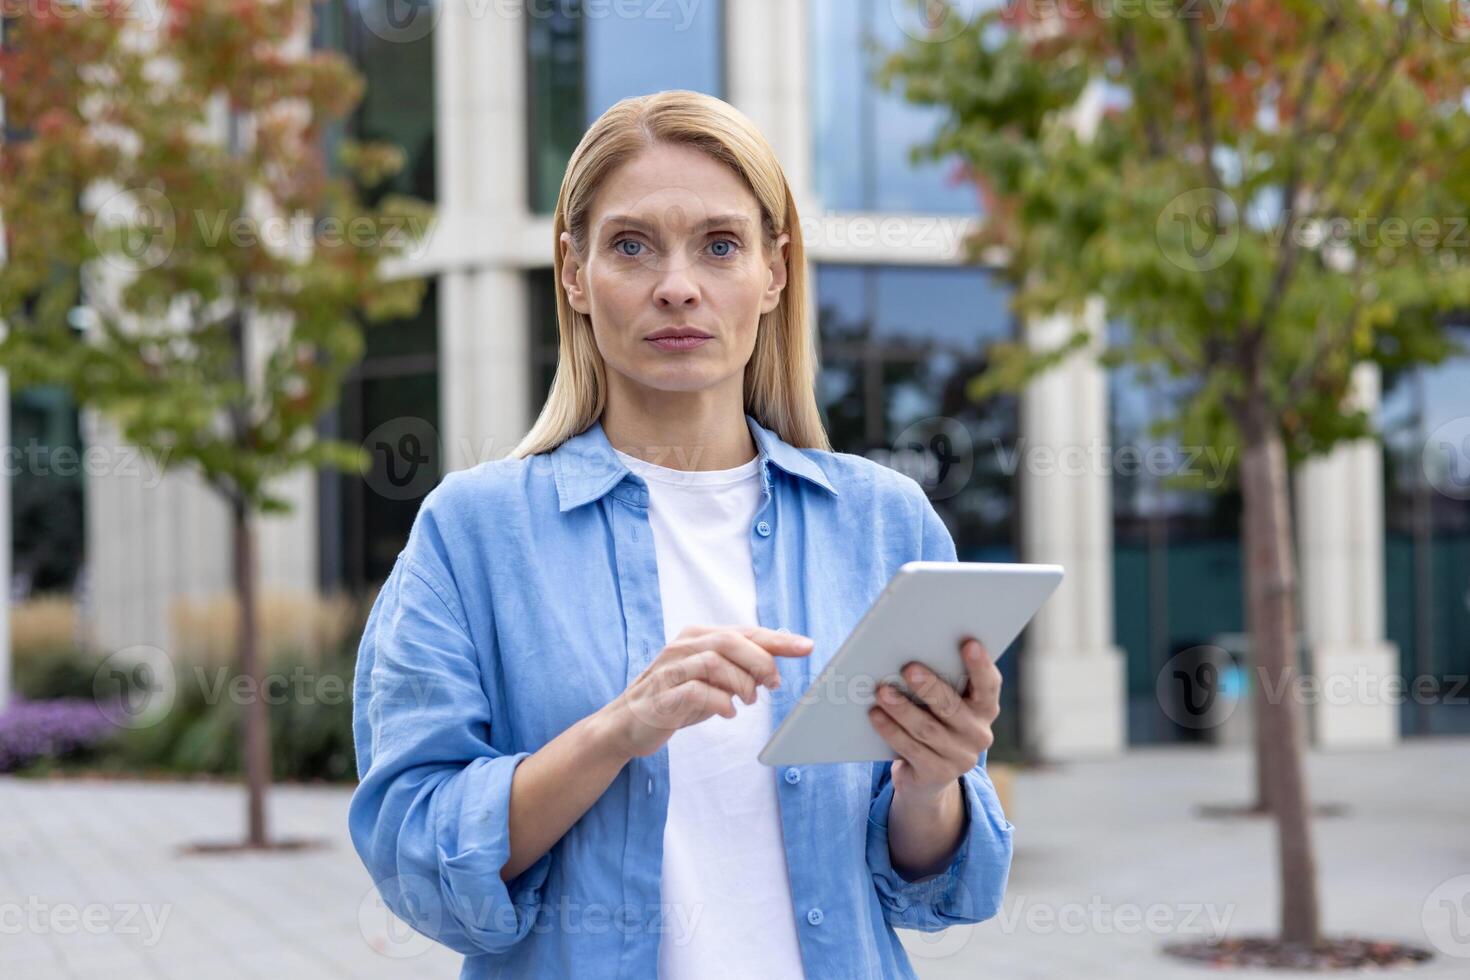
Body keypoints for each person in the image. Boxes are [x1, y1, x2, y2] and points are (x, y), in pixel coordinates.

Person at [348, 89, 1013, 980]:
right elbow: (415, 851)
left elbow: (932, 884)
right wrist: (618, 729)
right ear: (574, 274)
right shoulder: (473, 534)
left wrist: (934, 781)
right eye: (631, 245)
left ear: (775, 273)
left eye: (721, 244)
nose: (677, 284)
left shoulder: (883, 522)